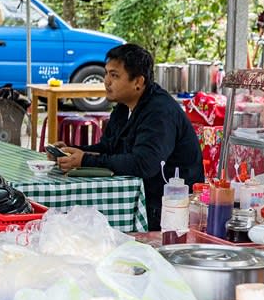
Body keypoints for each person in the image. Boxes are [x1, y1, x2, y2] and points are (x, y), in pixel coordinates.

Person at [52, 44, 205, 230]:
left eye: (114, 75)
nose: (106, 81)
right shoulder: (123, 108)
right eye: (106, 73)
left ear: (138, 82)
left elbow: (144, 164)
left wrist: (85, 160)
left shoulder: (159, 112)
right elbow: (108, 148)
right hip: (136, 198)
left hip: (167, 210)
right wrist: (72, 152)